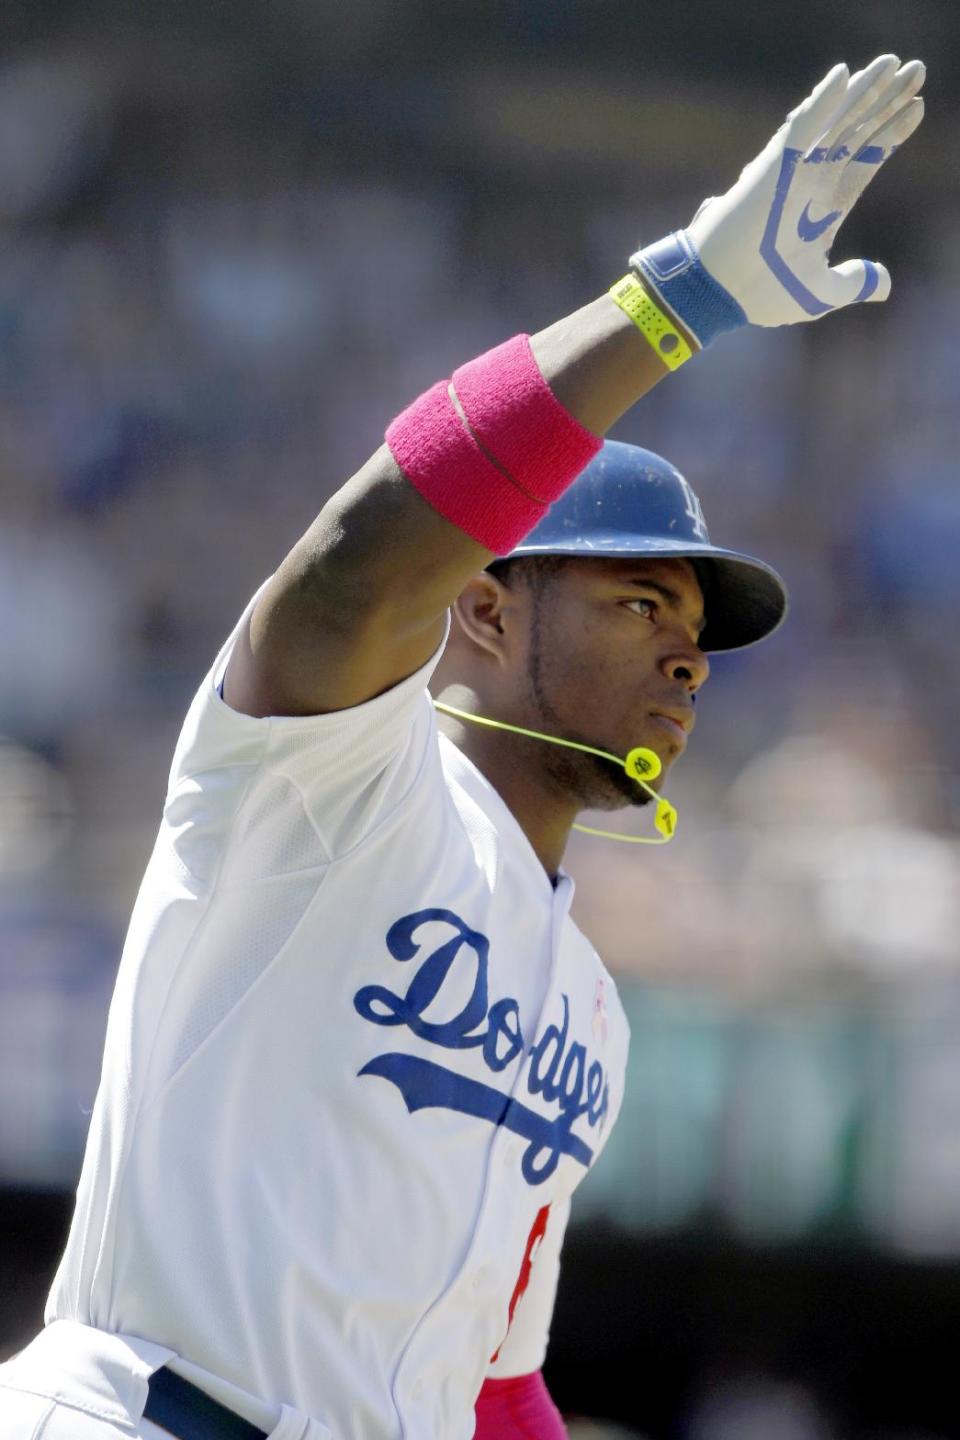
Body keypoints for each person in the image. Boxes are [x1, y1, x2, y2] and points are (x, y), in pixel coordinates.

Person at [0, 54, 924, 1440]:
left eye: (698, 628)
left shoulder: (593, 1017)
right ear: (483, 604)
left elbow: (488, 1381)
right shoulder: (332, 779)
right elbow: (350, 565)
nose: (687, 653)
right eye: (637, 601)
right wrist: (670, 304)